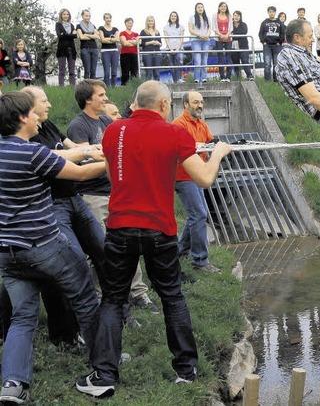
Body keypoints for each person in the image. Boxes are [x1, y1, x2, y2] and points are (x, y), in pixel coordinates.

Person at [74, 81, 232, 398]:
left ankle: (104, 376)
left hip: (120, 227)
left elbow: (115, 160)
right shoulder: (175, 134)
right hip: (160, 229)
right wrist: (218, 153)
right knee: (172, 296)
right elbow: (203, 178)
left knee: (113, 299)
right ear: (162, 106)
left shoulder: (113, 131)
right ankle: (186, 371)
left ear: (135, 103)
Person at [0, 91, 105, 404]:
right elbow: (83, 173)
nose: (37, 117)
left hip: (8, 252)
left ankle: (12, 385)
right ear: (22, 118)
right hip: (44, 245)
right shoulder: (32, 153)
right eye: (33, 112)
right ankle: (103, 366)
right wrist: (114, 160)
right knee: (85, 296)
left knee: (22, 318)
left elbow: (66, 157)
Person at [67, 80, 157, 313]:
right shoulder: (78, 125)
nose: (106, 98)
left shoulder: (107, 121)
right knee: (100, 246)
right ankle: (98, 295)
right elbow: (85, 156)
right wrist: (114, 156)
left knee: (130, 240)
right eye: (101, 94)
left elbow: (119, 148)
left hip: (118, 191)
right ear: (88, 99)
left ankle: (138, 293)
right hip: (93, 195)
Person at [172, 91, 220, 273]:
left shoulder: (201, 123)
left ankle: (179, 250)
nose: (200, 105)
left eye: (201, 102)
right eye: (195, 102)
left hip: (197, 174)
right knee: (199, 214)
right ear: (185, 104)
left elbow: (211, 140)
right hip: (183, 176)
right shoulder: (178, 125)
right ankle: (200, 261)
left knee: (198, 213)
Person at [258, 6, 285, 82]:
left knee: (276, 64)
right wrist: (263, 41)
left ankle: (276, 81)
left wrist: (280, 42)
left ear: (275, 13)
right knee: (267, 63)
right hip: (267, 46)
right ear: (268, 12)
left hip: (277, 46)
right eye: (270, 12)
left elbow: (283, 33)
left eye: (273, 12)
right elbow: (260, 33)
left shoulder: (279, 22)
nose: (271, 13)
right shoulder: (264, 22)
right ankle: (267, 81)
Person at [188, 3, 212, 84]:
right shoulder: (192, 18)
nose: (200, 8)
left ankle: (204, 78)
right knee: (197, 60)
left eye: (202, 7)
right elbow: (190, 30)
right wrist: (199, 35)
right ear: (196, 9)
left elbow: (209, 29)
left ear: (204, 8)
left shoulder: (207, 18)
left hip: (206, 40)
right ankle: (197, 78)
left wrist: (207, 35)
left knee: (204, 60)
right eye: (198, 7)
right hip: (195, 40)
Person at [55, 8, 78, 86]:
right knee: (62, 71)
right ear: (61, 15)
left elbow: (76, 36)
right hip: (61, 50)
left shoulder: (71, 25)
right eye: (64, 14)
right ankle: (61, 88)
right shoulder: (58, 24)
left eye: (67, 14)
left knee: (72, 71)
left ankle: (73, 88)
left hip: (71, 49)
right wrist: (71, 35)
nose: (66, 16)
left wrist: (64, 34)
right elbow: (59, 36)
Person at [76, 9, 100, 79]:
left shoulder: (93, 26)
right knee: (87, 70)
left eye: (89, 16)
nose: (88, 17)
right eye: (86, 16)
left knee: (93, 71)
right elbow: (81, 37)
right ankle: (86, 88)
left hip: (94, 49)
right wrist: (92, 35)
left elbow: (97, 36)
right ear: (82, 16)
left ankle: (93, 88)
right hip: (85, 49)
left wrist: (87, 35)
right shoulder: (79, 26)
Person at [98, 13, 120, 87]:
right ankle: (106, 88)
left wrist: (108, 39)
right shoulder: (101, 28)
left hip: (114, 51)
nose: (108, 19)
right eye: (106, 18)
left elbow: (117, 39)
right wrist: (111, 39)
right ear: (104, 19)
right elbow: (102, 40)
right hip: (105, 51)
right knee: (107, 72)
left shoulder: (115, 29)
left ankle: (113, 87)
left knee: (114, 72)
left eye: (109, 18)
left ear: (111, 19)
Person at [230, 11, 253, 80]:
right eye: (235, 15)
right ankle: (238, 77)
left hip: (243, 46)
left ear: (240, 17)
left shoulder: (244, 24)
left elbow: (243, 32)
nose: (236, 17)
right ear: (233, 16)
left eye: (238, 16)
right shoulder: (230, 25)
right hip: (233, 46)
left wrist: (233, 34)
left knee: (245, 60)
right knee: (235, 61)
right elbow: (229, 34)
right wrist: (234, 35)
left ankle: (249, 75)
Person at [164, 11, 185, 84]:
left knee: (179, 64)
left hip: (178, 48)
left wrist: (177, 49)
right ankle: (175, 81)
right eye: (172, 16)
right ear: (170, 17)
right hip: (169, 49)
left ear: (177, 17)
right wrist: (171, 49)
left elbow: (181, 38)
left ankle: (179, 79)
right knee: (171, 66)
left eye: (175, 16)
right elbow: (166, 39)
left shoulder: (181, 27)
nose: (173, 17)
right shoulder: (166, 27)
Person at [213, 2, 232, 82]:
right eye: (222, 6)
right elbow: (214, 27)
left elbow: (231, 27)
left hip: (228, 38)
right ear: (219, 7)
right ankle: (222, 77)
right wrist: (220, 35)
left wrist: (227, 34)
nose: (223, 8)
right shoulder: (215, 15)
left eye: (225, 6)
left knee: (228, 57)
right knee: (220, 57)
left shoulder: (229, 16)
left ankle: (228, 77)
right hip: (218, 38)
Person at [139, 16, 162, 81]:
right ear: (147, 22)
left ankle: (157, 87)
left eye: (152, 21)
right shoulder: (143, 32)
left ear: (154, 22)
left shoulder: (157, 32)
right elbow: (141, 44)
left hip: (157, 53)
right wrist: (150, 42)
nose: (151, 22)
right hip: (147, 54)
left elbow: (161, 43)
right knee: (149, 72)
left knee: (157, 72)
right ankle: (148, 89)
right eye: (149, 21)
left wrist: (157, 43)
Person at [119, 18, 139, 85]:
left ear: (132, 24)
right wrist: (133, 42)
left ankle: (133, 86)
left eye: (131, 23)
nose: (129, 24)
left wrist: (129, 41)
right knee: (125, 72)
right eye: (128, 23)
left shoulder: (136, 34)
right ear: (125, 24)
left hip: (134, 54)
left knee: (134, 72)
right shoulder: (122, 33)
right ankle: (124, 87)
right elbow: (124, 43)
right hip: (125, 55)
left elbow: (138, 43)